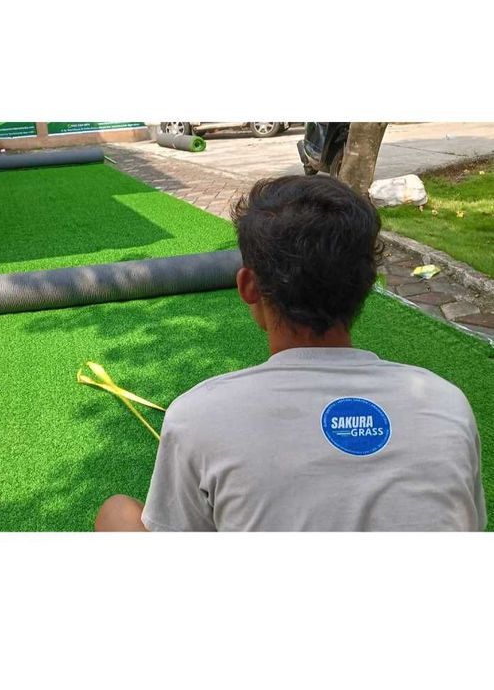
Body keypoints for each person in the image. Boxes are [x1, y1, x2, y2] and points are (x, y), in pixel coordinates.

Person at [95, 175, 486, 532]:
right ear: (367, 284)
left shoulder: (196, 416)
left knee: (116, 513)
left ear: (248, 286)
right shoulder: (446, 403)